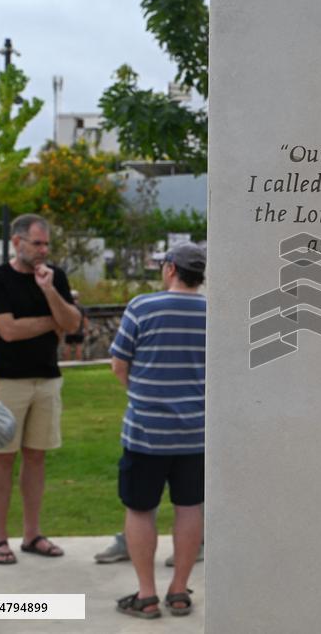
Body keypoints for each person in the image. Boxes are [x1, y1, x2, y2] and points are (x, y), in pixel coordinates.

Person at [110, 242, 206, 618]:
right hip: (196, 433)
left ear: (170, 269)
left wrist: (142, 391)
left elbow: (119, 364)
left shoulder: (142, 306)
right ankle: (179, 591)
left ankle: (146, 595)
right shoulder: (213, 312)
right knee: (189, 507)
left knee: (140, 509)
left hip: (146, 432)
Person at [0, 214, 82, 564]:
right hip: (7, 381)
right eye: (37, 243)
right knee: (4, 457)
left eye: (46, 244)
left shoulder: (55, 278)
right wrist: (50, 323)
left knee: (37, 456)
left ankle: (32, 534)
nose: (43, 250)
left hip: (47, 379)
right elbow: (7, 330)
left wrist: (49, 291)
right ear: (17, 242)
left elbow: (71, 323)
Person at [61, 291, 89, 361]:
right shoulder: (81, 307)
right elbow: (85, 319)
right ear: (78, 297)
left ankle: (66, 363)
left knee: (67, 346)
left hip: (69, 330)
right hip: (79, 330)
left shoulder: (67, 306)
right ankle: (78, 362)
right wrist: (86, 329)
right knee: (78, 346)